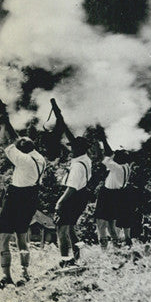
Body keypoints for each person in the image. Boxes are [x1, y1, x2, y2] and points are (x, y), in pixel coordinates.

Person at [0, 106, 47, 288]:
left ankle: (6, 276)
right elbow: (17, 140)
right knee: (22, 238)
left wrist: (1, 126)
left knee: (4, 238)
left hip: (16, 197)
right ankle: (25, 272)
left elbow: (5, 144)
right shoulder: (39, 158)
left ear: (21, 150)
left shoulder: (21, 160)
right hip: (31, 197)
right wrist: (7, 121)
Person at [50, 103, 92, 269]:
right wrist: (60, 118)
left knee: (61, 228)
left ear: (78, 149)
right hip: (82, 196)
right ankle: (77, 257)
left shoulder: (76, 166)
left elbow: (71, 188)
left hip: (72, 196)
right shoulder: (85, 159)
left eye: (73, 147)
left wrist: (60, 202)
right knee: (71, 228)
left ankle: (66, 260)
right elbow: (72, 138)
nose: (71, 149)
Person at [93, 127, 131, 250]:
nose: (115, 156)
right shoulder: (126, 167)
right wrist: (103, 140)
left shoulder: (116, 167)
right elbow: (111, 155)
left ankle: (104, 250)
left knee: (101, 223)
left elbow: (103, 156)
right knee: (111, 224)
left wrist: (101, 141)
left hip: (107, 194)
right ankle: (116, 248)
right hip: (117, 195)